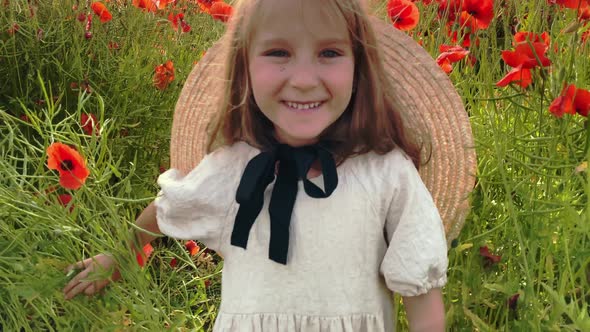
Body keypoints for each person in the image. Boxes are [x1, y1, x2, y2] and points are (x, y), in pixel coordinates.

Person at [63, 0, 477, 331]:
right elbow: (169, 209)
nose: (302, 78)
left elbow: (421, 295)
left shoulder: (387, 173)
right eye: (278, 52)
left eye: (329, 52)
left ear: (359, 67)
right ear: (244, 67)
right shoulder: (233, 166)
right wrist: (119, 255)